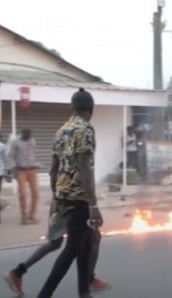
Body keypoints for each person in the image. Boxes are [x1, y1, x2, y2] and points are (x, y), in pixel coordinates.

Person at [36, 88, 105, 298]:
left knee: (89, 241)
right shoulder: (86, 130)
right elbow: (85, 168)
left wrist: (57, 198)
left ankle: (84, 291)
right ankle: (44, 294)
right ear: (90, 109)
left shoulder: (61, 131)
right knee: (71, 251)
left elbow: (53, 170)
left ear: (72, 108)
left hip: (64, 197)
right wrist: (93, 205)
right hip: (79, 199)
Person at [8, 128, 40, 225]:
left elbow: (32, 154)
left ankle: (32, 215)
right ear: (22, 134)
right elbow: (10, 156)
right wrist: (12, 170)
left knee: (36, 193)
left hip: (32, 170)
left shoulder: (32, 141)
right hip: (21, 171)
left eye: (30, 136)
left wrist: (36, 164)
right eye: (27, 136)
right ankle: (24, 216)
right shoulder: (15, 142)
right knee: (23, 194)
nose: (29, 137)